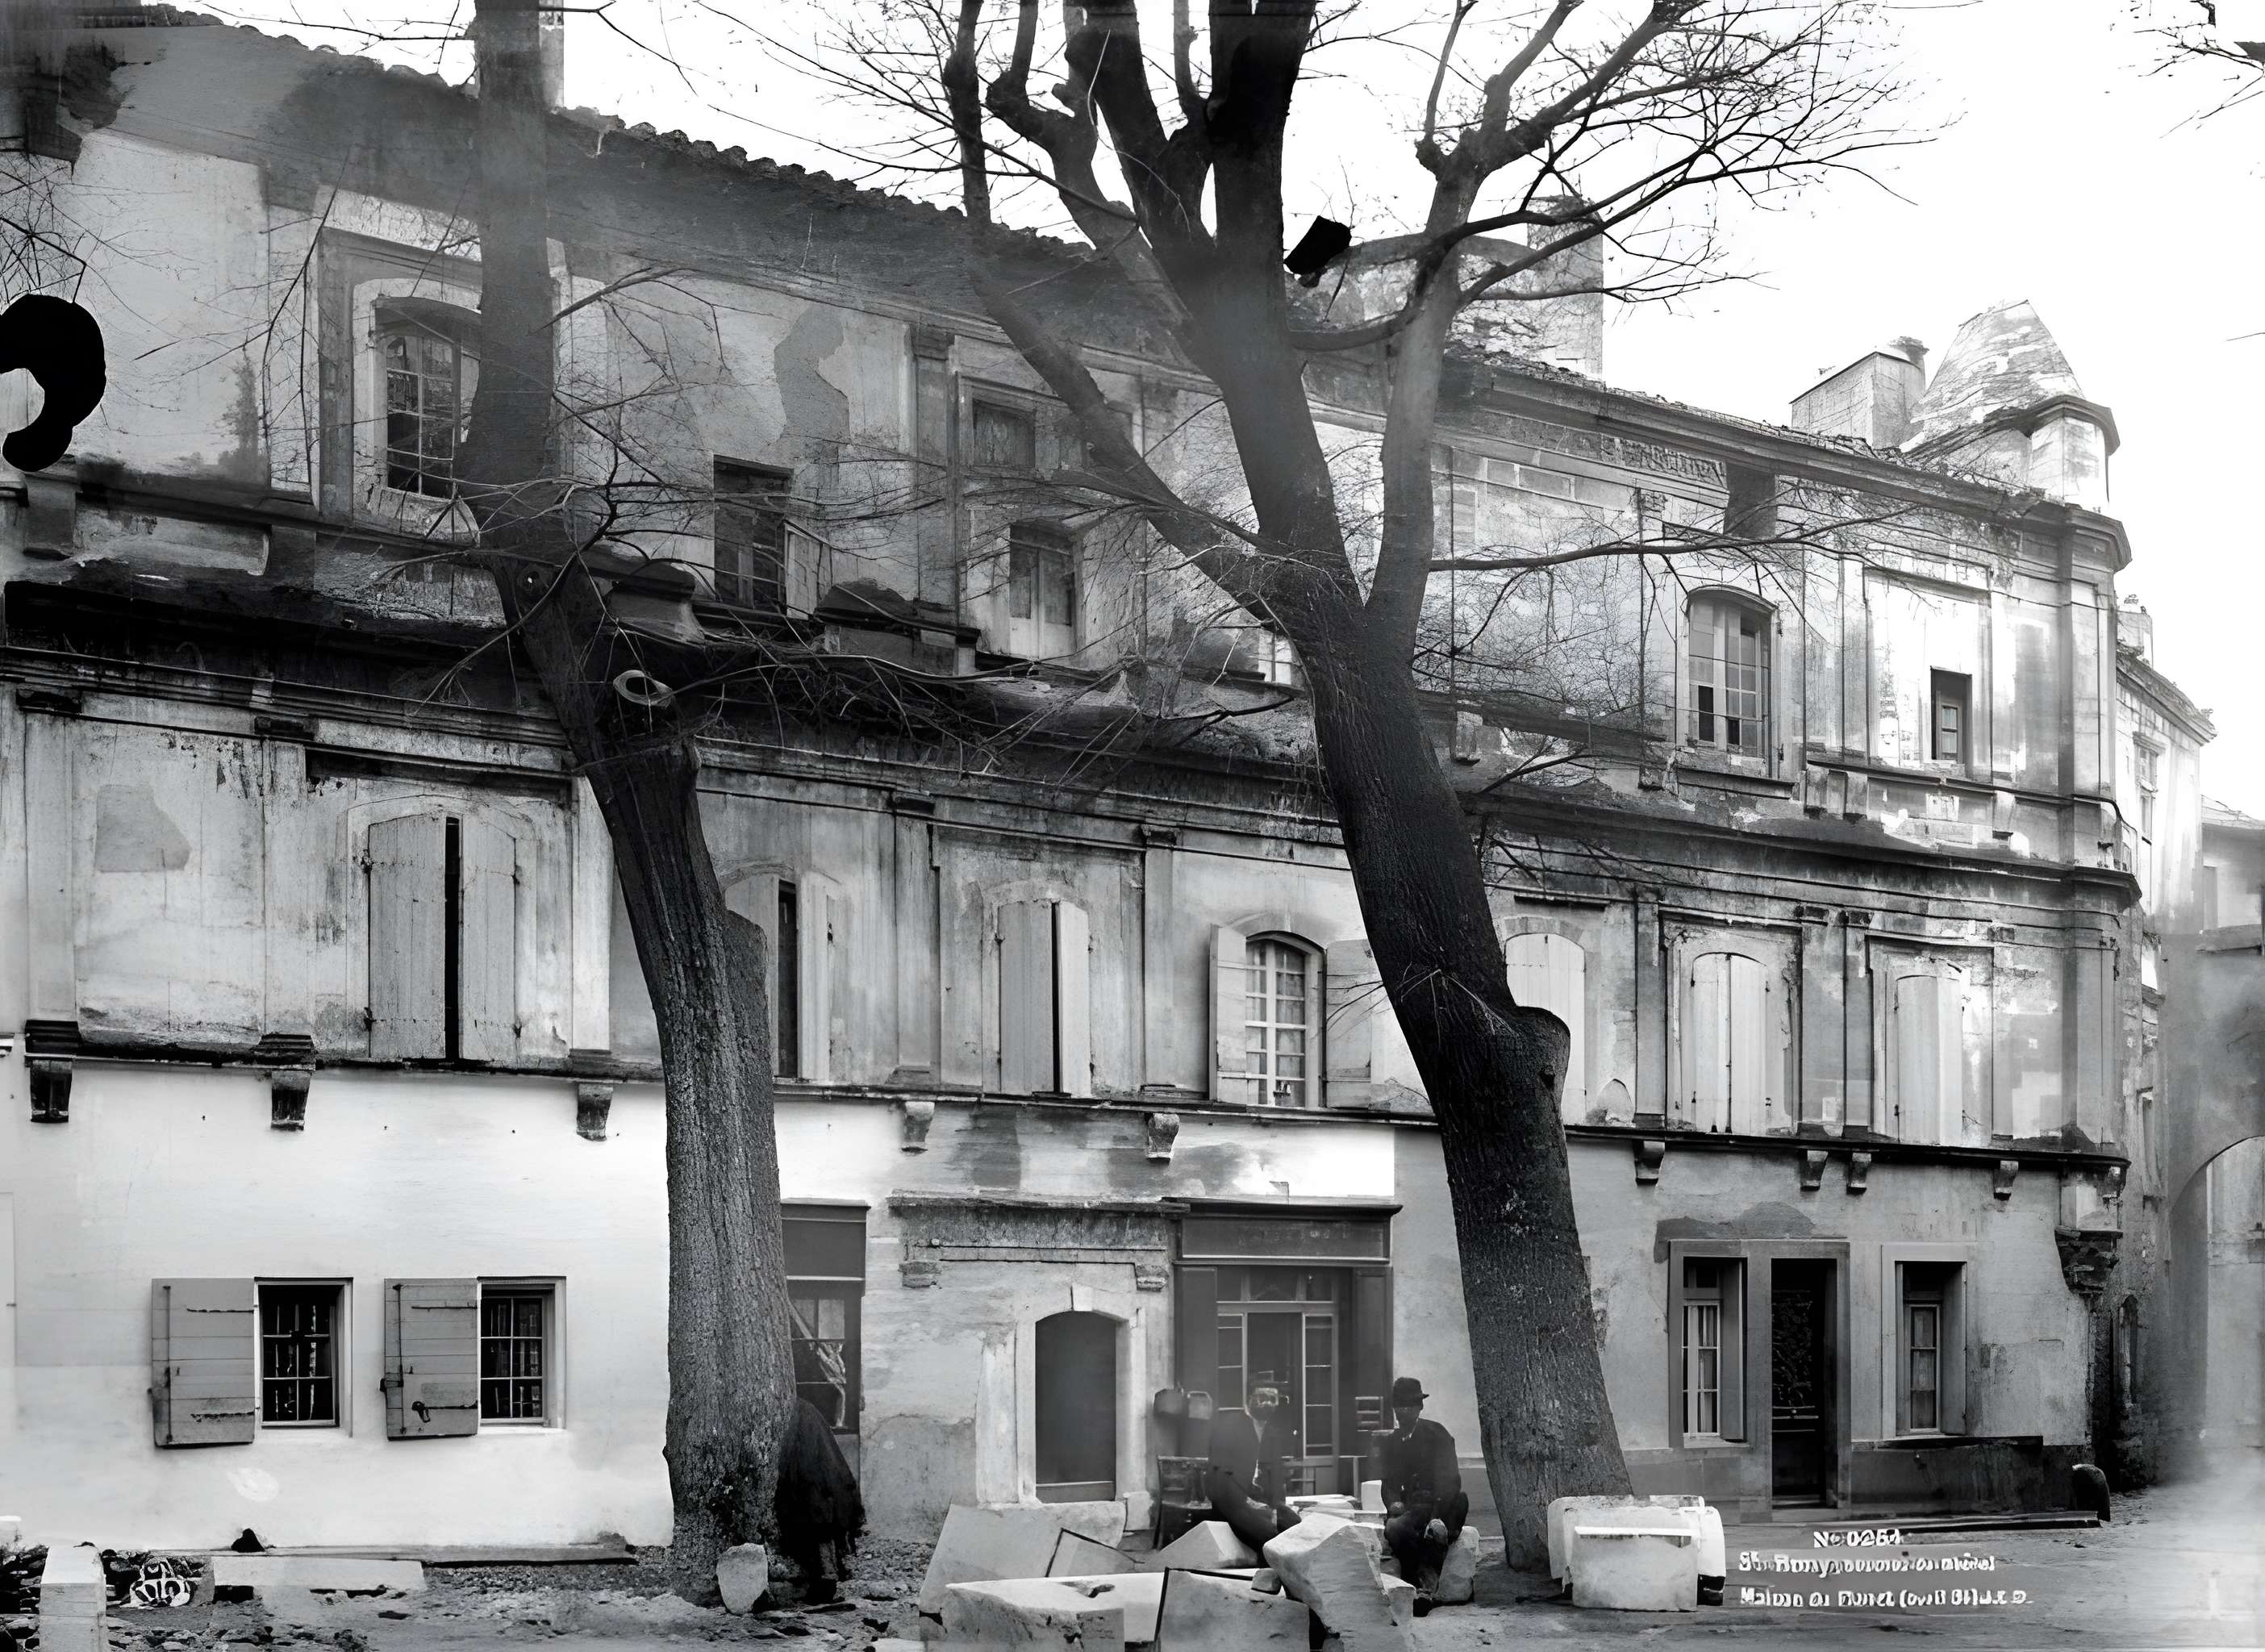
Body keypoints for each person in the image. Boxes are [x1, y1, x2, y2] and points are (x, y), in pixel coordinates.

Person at [1379, 1376, 1467, 1617]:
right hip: (1410, 1508)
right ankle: (1412, 1587)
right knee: (1396, 1529)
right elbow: (1389, 1483)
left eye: (1410, 1406)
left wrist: (1436, 1517)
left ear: (1420, 1407)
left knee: (1433, 1534)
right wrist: (1394, 1501)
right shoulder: (1391, 1443)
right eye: (1399, 1406)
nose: (1404, 1411)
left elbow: (1449, 1480)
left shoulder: (1437, 1435)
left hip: (1443, 1505)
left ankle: (1425, 1590)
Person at [773, 1395, 865, 1604]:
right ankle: (827, 1578)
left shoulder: (802, 1417)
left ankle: (826, 1579)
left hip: (816, 1495)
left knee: (819, 1531)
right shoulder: (807, 1416)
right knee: (821, 1532)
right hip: (820, 1494)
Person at [1201, 1387, 1301, 1555]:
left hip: (1259, 1499)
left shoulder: (1272, 1433)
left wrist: (1277, 1507)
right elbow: (1220, 1474)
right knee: (1269, 1536)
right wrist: (1248, 1503)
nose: (1267, 1403)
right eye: (1262, 1397)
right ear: (1249, 1400)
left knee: (1296, 1527)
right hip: (1232, 1500)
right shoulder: (1229, 1426)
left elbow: (1276, 1473)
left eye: (1272, 1399)